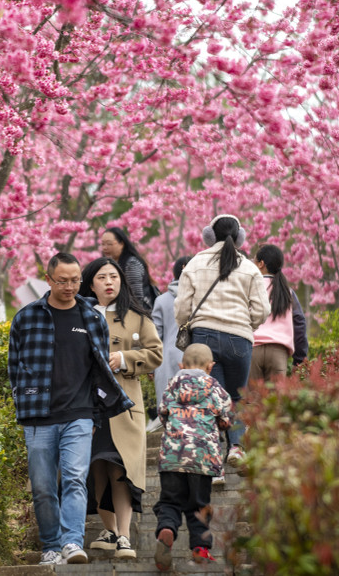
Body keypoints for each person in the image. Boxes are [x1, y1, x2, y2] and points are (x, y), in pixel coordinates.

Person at [7, 252, 135, 566]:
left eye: (75, 280)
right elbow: (14, 367)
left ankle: (72, 543)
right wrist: (25, 401)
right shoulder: (26, 317)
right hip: (38, 416)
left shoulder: (91, 318)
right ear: (48, 279)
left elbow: (100, 368)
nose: (69, 286)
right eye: (62, 280)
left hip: (79, 414)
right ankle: (50, 545)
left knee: (76, 479)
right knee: (43, 485)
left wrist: (94, 412)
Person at [78, 257, 163, 560]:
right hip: (87, 405)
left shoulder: (137, 317)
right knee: (96, 467)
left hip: (124, 406)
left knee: (120, 469)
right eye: (102, 277)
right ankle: (110, 529)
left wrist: (125, 359)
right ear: (91, 283)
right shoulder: (80, 315)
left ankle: (124, 537)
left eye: (114, 276)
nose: (109, 282)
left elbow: (155, 353)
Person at [174, 214, 269, 466]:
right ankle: (236, 447)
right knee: (236, 397)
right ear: (239, 238)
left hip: (203, 338)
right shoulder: (249, 267)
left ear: (209, 236)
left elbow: (182, 307)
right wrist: (247, 325)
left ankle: (214, 463)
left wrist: (187, 324)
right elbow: (261, 310)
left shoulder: (195, 263)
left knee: (209, 399)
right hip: (239, 339)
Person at [153, 344, 234, 572]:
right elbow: (227, 418)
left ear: (181, 366)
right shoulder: (214, 386)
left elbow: (162, 413)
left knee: (169, 501)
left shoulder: (172, 384)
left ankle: (166, 530)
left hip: (172, 456)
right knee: (199, 505)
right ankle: (200, 549)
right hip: (202, 458)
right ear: (211, 367)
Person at [250, 244, 308, 382]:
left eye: (254, 260)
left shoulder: (250, 287)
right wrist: (299, 359)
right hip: (278, 352)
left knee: (251, 401)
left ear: (261, 264)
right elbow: (299, 322)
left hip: (253, 350)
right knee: (275, 402)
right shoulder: (287, 292)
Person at [148, 256, 192, 433]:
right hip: (195, 356)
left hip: (166, 358)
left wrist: (151, 364)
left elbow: (155, 335)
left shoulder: (162, 300)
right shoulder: (200, 298)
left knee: (169, 409)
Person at [101, 226, 159, 310]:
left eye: (109, 244)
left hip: (138, 314)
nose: (105, 248)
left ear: (121, 244)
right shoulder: (113, 264)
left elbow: (136, 296)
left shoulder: (131, 264)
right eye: (103, 244)